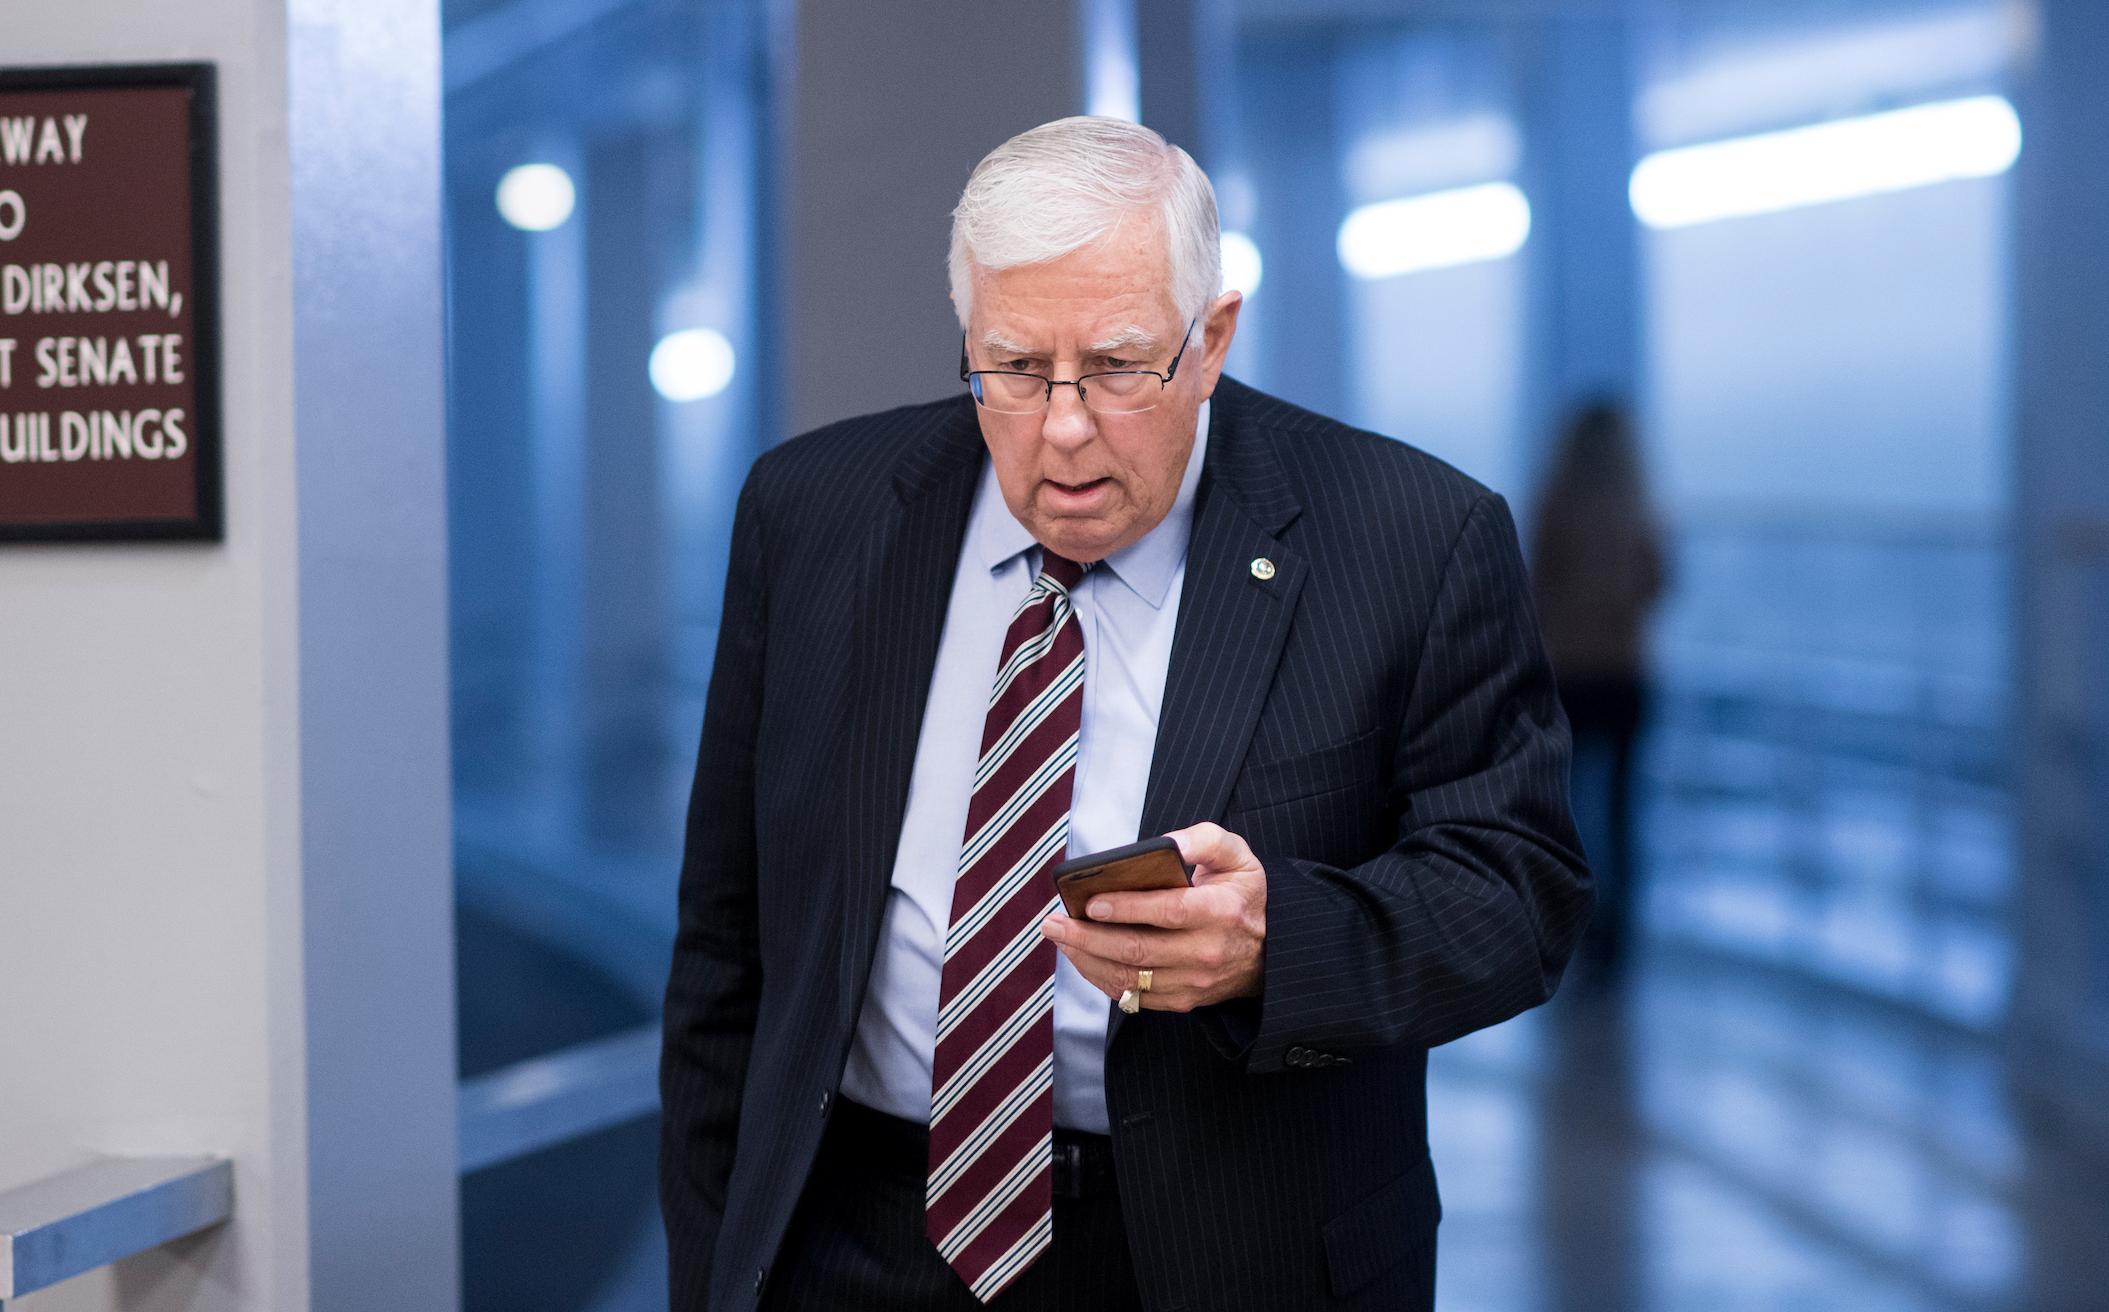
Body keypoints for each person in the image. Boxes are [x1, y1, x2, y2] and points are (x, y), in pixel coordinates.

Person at [661, 117, 1590, 1312]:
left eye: (1115, 368)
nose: (1061, 427)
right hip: (852, 1237)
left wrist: (1277, 943)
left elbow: (1520, 892)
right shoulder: (813, 516)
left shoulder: (1411, 538)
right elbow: (725, 949)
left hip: (1215, 1247)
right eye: (1012, 366)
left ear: (1211, 339)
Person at [1530, 404, 1667, 977]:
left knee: (1564, 811)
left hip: (1568, 677)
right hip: (1626, 676)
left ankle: (1568, 927)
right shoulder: (1638, 511)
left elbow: (1533, 586)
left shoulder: (1556, 509)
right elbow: (1659, 586)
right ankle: (1617, 946)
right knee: (1621, 810)